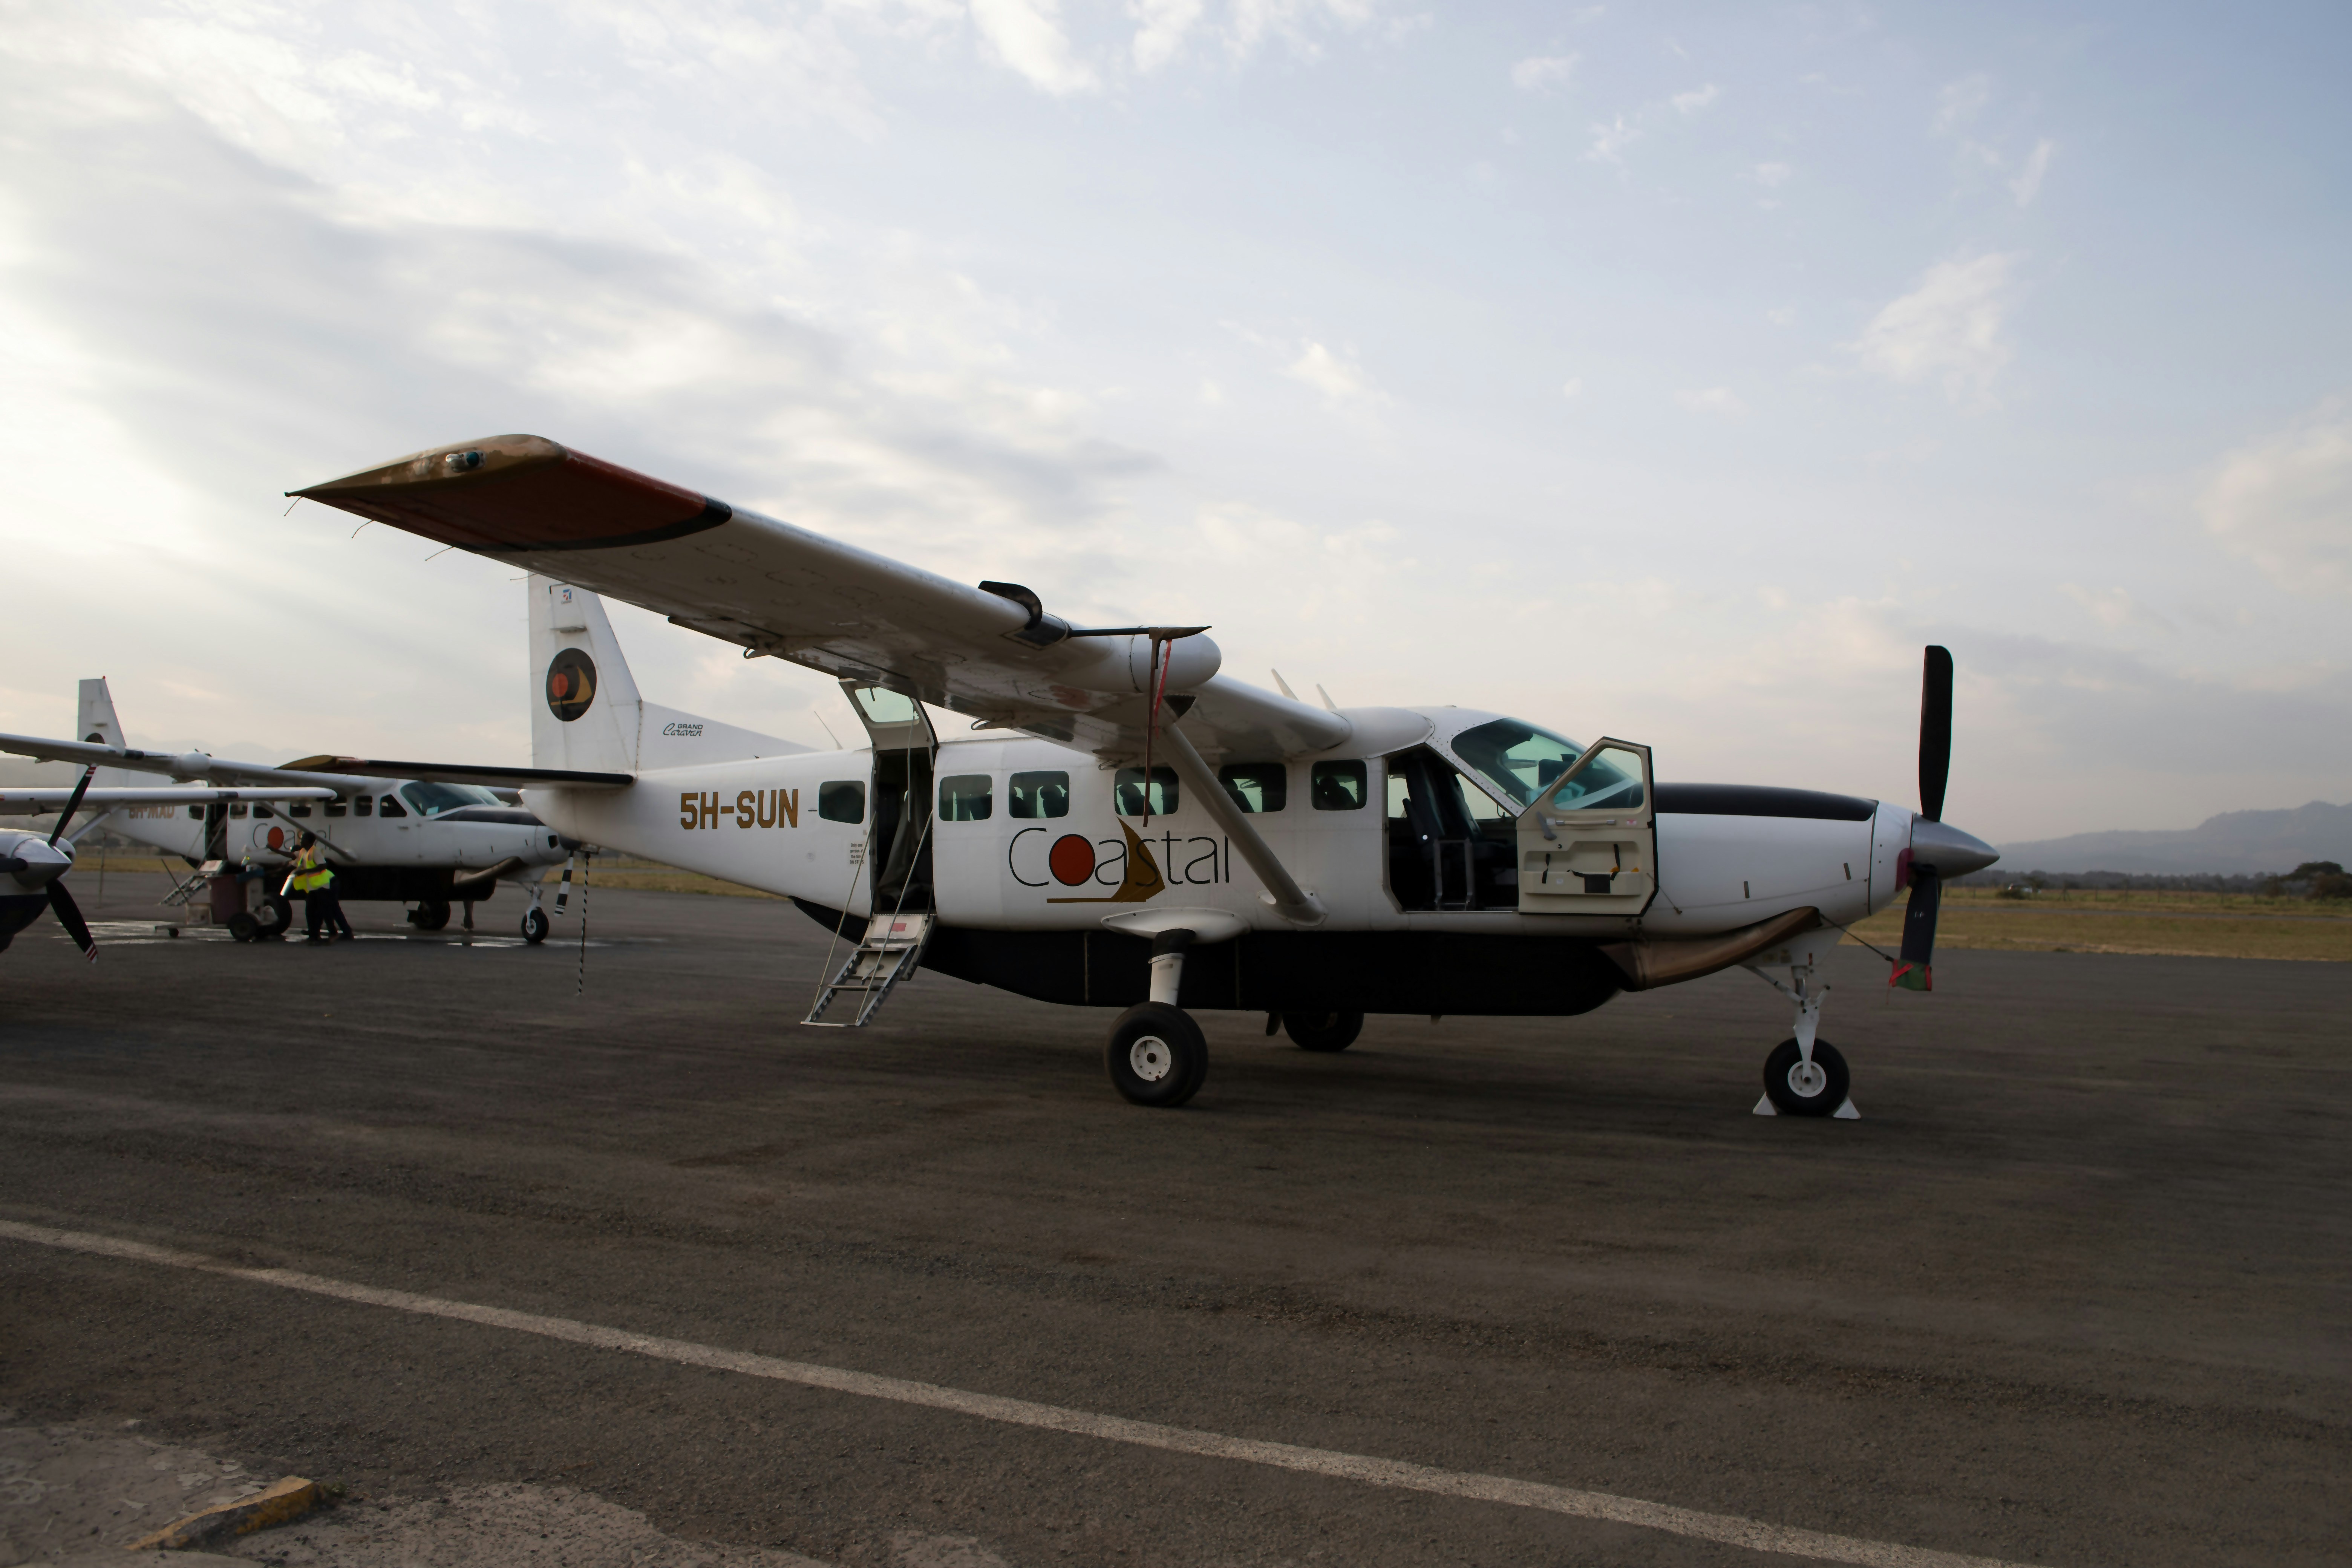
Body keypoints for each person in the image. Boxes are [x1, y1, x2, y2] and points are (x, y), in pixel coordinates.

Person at [288, 832, 351, 942]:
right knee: (316, 909)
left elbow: (322, 867)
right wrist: (274, 850)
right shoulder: (303, 854)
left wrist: (305, 871)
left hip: (329, 883)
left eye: (303, 839)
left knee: (330, 909)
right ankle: (315, 933)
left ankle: (342, 933)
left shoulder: (312, 853)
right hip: (318, 885)